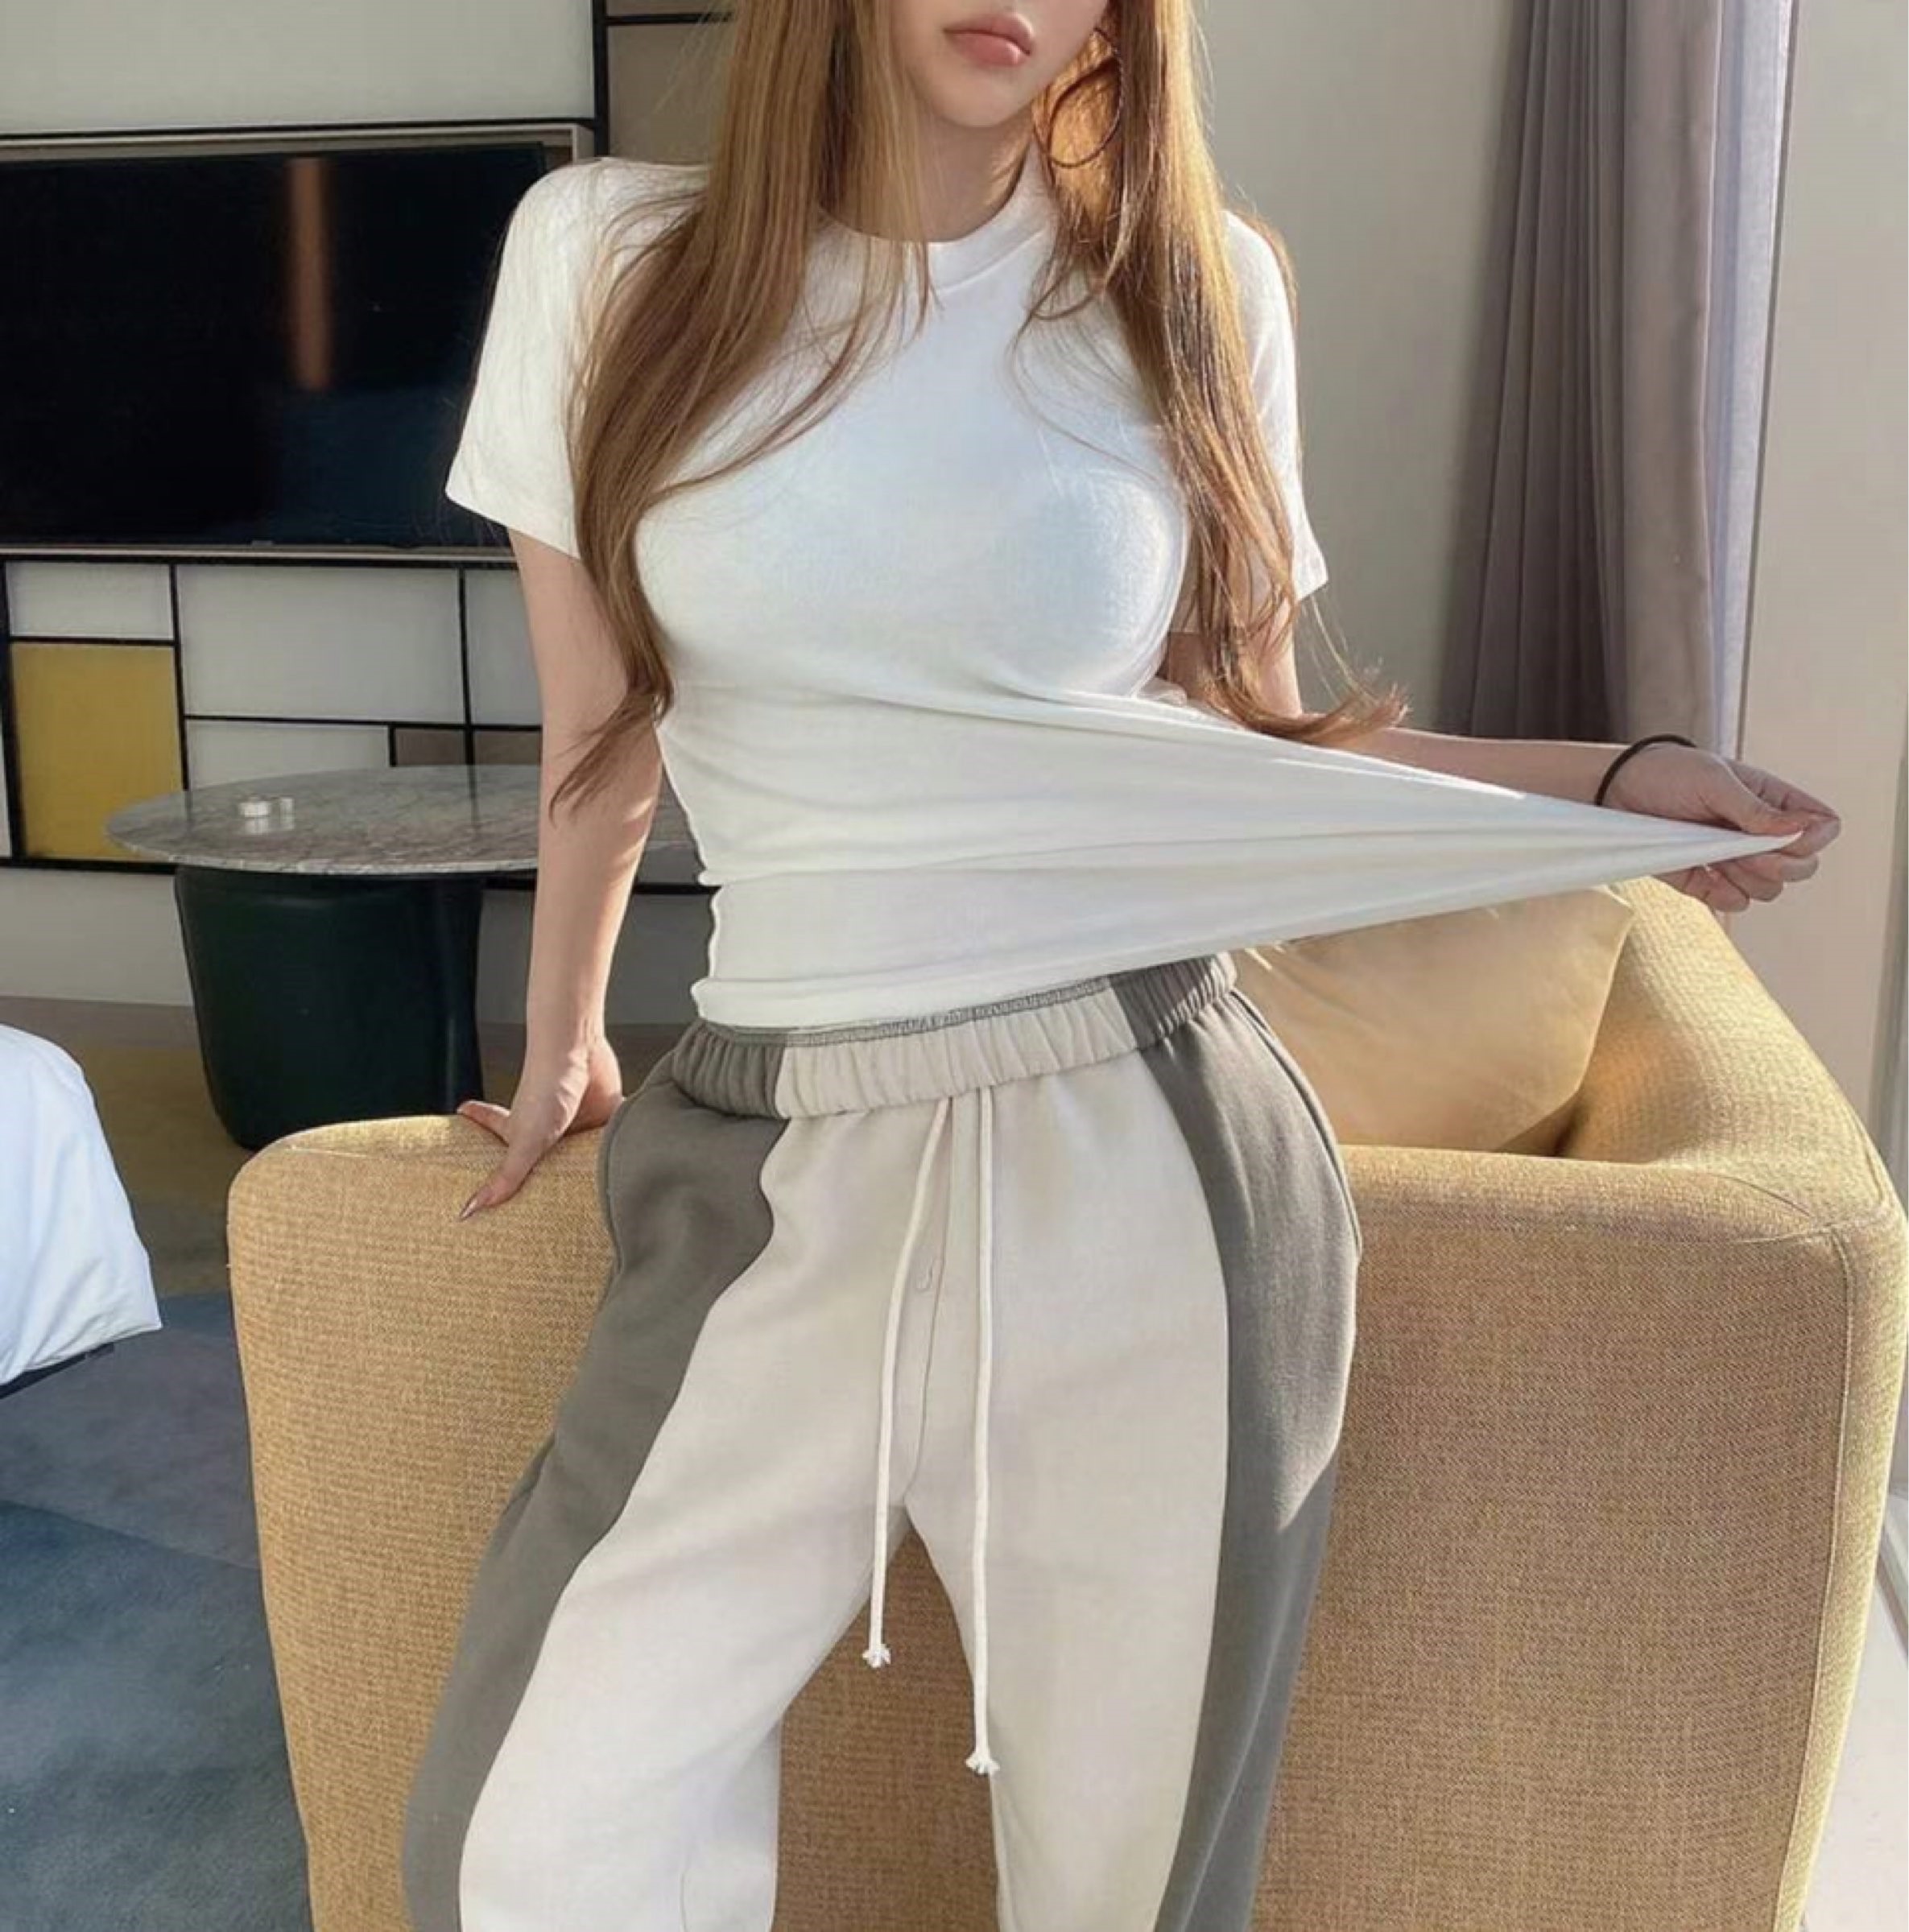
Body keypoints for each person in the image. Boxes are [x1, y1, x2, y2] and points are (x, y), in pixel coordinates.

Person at [402, 6, 1840, 1929]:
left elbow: (1257, 742)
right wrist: (569, 1035)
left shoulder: (1195, 287)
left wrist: (1611, 785)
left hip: (1150, 1165)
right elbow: (602, 731)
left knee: (1131, 1891)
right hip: (768, 1152)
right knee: (520, 1850)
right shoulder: (601, 257)